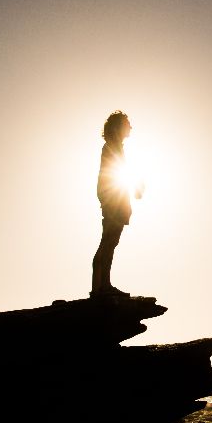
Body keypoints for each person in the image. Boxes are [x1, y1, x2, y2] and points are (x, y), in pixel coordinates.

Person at [91, 111, 142, 297]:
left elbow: (121, 171)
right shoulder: (111, 146)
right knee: (108, 241)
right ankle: (101, 286)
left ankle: (103, 285)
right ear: (119, 126)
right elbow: (113, 172)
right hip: (113, 200)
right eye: (127, 123)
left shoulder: (115, 146)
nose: (130, 127)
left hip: (115, 200)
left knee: (111, 241)